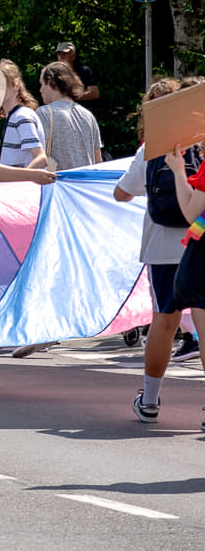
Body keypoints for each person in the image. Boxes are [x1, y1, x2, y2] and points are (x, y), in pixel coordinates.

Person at [115, 80, 205, 426]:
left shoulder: (151, 148)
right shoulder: (201, 142)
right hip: (199, 242)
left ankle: (150, 401)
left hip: (163, 247)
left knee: (164, 322)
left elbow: (121, 193)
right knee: (204, 324)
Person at [37, 62, 102, 168]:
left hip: (59, 178)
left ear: (52, 82)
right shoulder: (88, 115)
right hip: (86, 178)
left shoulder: (44, 113)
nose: (40, 90)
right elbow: (98, 161)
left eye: (42, 84)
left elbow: (40, 157)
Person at [0, 60, 47, 169]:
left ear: (17, 85)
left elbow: (41, 158)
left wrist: (21, 178)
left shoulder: (22, 117)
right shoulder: (13, 116)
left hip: (25, 181)